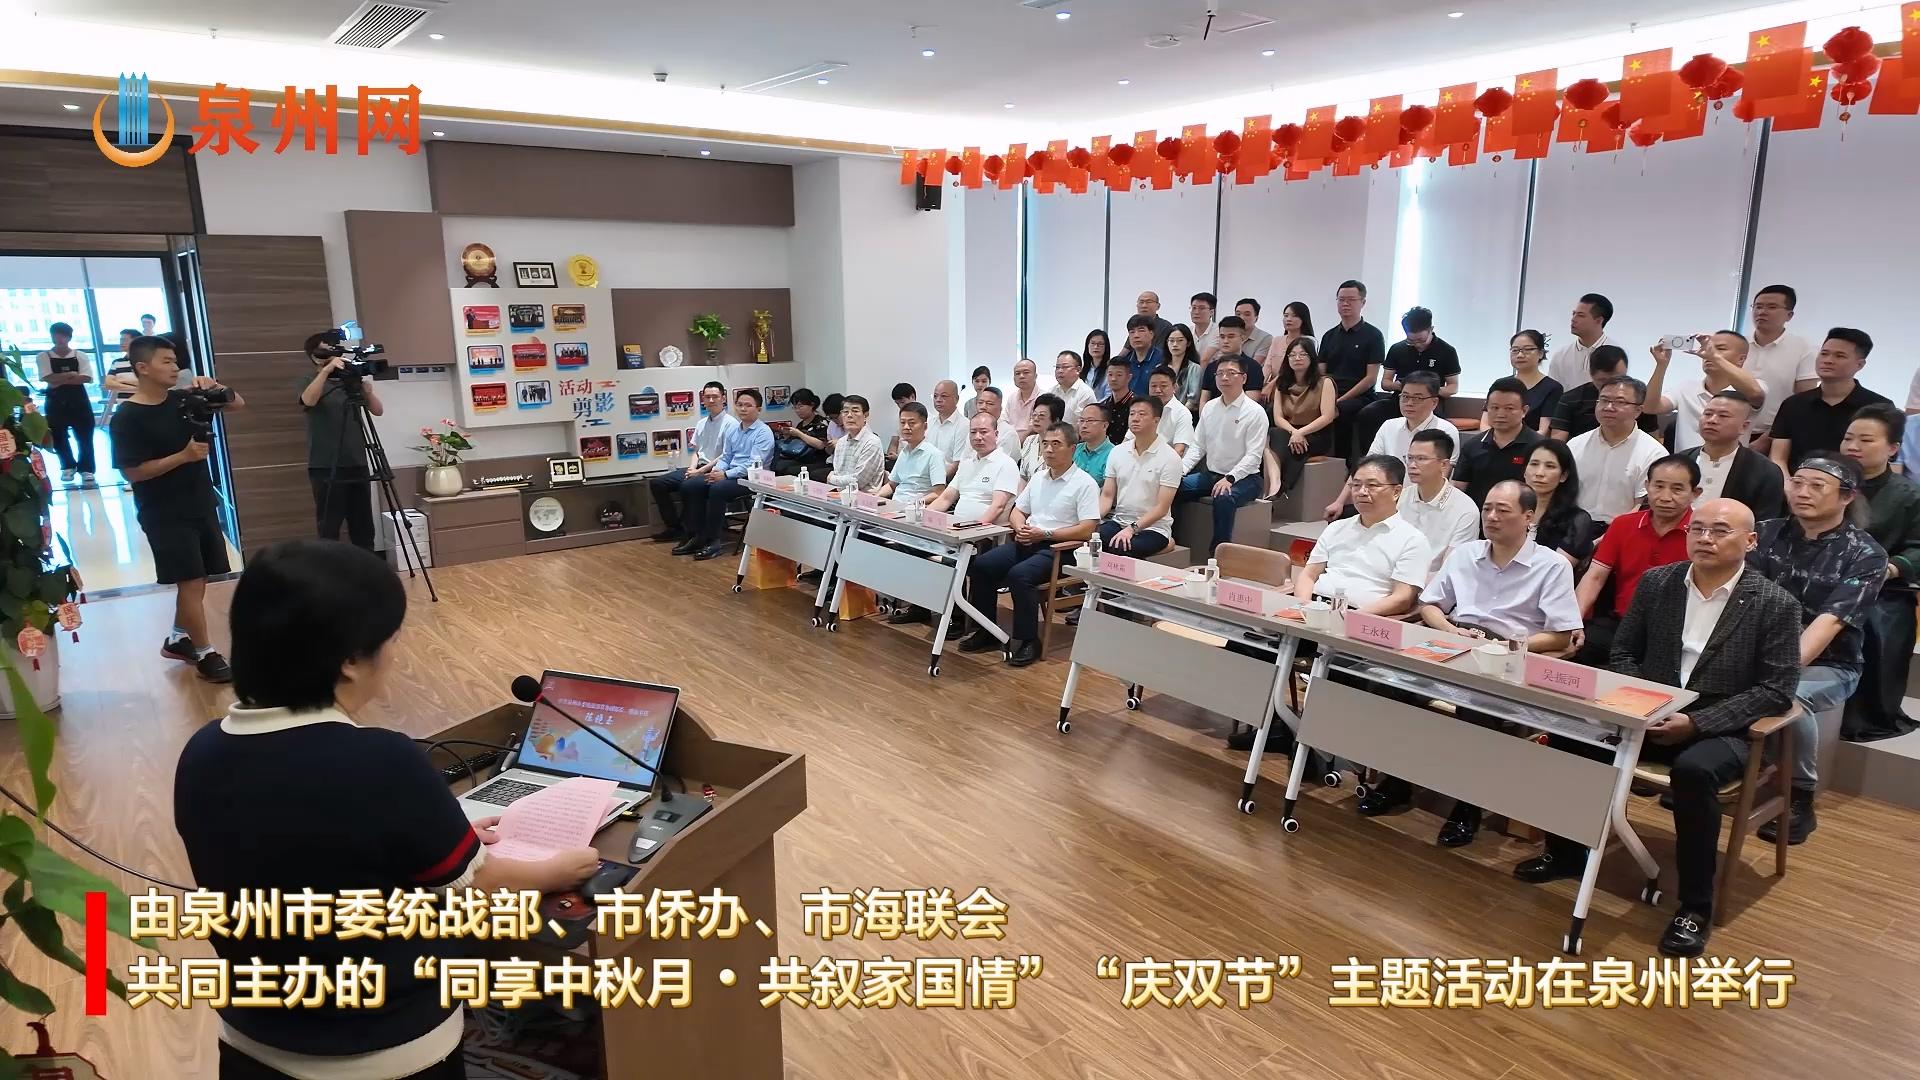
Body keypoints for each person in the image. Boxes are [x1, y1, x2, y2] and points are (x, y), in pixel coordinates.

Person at [177, 539, 600, 1079]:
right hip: (386, 1050)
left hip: (251, 1040)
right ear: (350, 661)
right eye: (390, 640)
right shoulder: (382, 760)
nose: (394, 656)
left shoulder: (202, 752)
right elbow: (481, 884)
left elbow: (306, 846)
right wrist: (557, 870)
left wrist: (444, 835)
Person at [1513, 498, 1801, 959]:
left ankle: (1694, 907)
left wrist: (1697, 721)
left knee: (1694, 772)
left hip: (1721, 727)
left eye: (1720, 531)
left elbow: (1776, 689)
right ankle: (1565, 853)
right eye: (1698, 529)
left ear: (1750, 541)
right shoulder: (1658, 582)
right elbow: (1624, 653)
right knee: (1569, 739)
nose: (1705, 539)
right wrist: (1646, 704)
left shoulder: (1775, 604)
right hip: (1647, 712)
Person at [1400, 480, 1582, 836]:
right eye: (1487, 509)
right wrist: (1450, 630)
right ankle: (1396, 782)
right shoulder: (1465, 554)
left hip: (1508, 656)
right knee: (1392, 685)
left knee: (1478, 706)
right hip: (1456, 642)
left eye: (1503, 510)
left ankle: (1468, 804)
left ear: (1528, 517)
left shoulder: (1552, 566)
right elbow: (1431, 605)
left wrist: (1510, 646)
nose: (1492, 517)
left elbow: (1562, 635)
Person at [1748, 456, 1888, 844]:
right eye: (1797, 482)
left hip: (1829, 663)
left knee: (1786, 696)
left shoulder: (1866, 554)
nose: (1802, 492)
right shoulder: (1765, 532)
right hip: (1755, 648)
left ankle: (1799, 797)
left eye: (1816, 486)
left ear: (1847, 496)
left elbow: (1829, 624)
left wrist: (1775, 673)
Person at [108, 335, 246, 682]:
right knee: (190, 580)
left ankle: (177, 639)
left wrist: (215, 386)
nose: (175, 367)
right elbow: (133, 472)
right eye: (166, 361)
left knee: (199, 579)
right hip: (163, 511)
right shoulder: (127, 417)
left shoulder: (183, 399)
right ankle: (205, 653)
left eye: (175, 361)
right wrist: (182, 457)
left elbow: (237, 404)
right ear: (143, 368)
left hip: (200, 500)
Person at [960, 422, 1100, 667]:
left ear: (1072, 448)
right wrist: (1020, 528)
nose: (1049, 450)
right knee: (981, 565)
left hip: (1061, 549)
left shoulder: (1084, 483)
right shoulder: (1038, 478)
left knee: (1020, 575)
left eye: (1056, 444)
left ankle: (1028, 641)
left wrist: (1044, 533)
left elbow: (1087, 529)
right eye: (1045, 444)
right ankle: (987, 630)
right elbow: (1018, 511)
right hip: (1029, 540)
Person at [1840, 405, 1920, 742]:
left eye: (1866, 440)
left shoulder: (1909, 495)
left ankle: (1862, 715)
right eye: (1848, 438)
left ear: (1893, 448)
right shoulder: (1825, 484)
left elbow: (1917, 548)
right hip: (1817, 579)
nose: (1853, 446)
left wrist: (1890, 568)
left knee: (1872, 623)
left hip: (1880, 589)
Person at [1573, 455, 1699, 663]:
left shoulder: (1701, 534)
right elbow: (1594, 577)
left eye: (1677, 489)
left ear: (1695, 493)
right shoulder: (1623, 525)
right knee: (1570, 647)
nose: (1665, 497)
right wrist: (1573, 622)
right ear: (1647, 486)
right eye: (1658, 486)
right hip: (1621, 623)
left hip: (1675, 632)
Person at [1293, 455, 1427, 615]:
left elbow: (1402, 598)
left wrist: (1350, 618)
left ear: (1396, 492)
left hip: (1363, 615)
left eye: (1372, 485)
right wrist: (1304, 607)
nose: (1362, 492)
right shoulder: (1336, 528)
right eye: (1356, 485)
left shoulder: (1413, 540)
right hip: (1316, 607)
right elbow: (1308, 575)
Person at [1324, 371, 1459, 520]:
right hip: (1386, 500)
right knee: (1340, 517)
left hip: (1423, 506)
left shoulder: (1445, 431)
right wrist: (1339, 502)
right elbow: (1367, 466)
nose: (1409, 403)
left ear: (1434, 402)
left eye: (1417, 398)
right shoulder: (1389, 426)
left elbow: (1442, 478)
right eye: (1405, 396)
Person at [298, 333, 385, 550]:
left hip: (357, 462)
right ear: (315, 356)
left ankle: (365, 566)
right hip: (325, 465)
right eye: (326, 350)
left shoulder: (349, 381)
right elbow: (308, 400)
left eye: (334, 349)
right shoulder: (309, 380)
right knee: (329, 528)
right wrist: (326, 371)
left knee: (363, 528)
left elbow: (377, 410)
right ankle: (331, 569)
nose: (333, 353)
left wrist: (367, 392)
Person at [1768, 328, 1891, 474]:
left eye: (1840, 356)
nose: (1828, 360)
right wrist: (1788, 484)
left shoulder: (1879, 407)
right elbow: (1778, 458)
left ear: (1860, 364)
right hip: (1798, 483)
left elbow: (1882, 461)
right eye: (1824, 353)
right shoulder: (1793, 404)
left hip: (1856, 484)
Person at [1177, 356, 1266, 553]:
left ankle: (1218, 553)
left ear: (1244, 378)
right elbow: (1198, 446)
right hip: (1212, 474)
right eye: (1220, 373)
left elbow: (1253, 456)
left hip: (1245, 479)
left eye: (1231, 373)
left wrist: (1230, 478)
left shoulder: (1255, 412)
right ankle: (1172, 539)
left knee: (1224, 498)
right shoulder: (1210, 407)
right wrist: (1180, 470)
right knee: (1173, 487)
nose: (1225, 377)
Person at [673, 388, 774, 560]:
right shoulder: (734, 430)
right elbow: (726, 457)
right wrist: (717, 471)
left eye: (748, 405)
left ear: (758, 409)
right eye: (739, 405)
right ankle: (696, 535)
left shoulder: (763, 432)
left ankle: (714, 541)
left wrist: (725, 475)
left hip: (752, 479)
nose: (743, 409)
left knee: (717, 489)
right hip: (729, 474)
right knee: (690, 486)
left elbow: (753, 465)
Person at [1354, 307, 1461, 459]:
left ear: (1431, 329)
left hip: (1429, 400)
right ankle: (1371, 457)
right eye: (1411, 341)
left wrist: (1428, 390)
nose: (1417, 344)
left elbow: (1453, 387)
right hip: (1400, 397)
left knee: (1434, 423)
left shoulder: (1447, 351)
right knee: (1368, 413)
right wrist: (1400, 386)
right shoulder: (1398, 349)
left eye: (1421, 340)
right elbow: (1385, 383)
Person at [1567, 376, 1667, 525]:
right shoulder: (1575, 445)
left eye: (1619, 402)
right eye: (1604, 400)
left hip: (1624, 529)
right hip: (1573, 527)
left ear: (1638, 410)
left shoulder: (1654, 453)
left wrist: (1611, 535)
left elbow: (1643, 508)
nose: (1608, 407)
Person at [1643, 333, 1766, 452]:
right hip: (1686, 464)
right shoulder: (1686, 387)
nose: (1708, 352)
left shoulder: (1754, 386)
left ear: (1741, 359)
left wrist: (1714, 356)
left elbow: (1755, 393)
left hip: (1732, 464)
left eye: (1720, 349)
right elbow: (1650, 407)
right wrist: (1661, 365)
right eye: (1708, 348)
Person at [651, 380, 736, 544]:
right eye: (707, 397)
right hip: (697, 467)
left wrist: (699, 472)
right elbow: (696, 451)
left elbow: (725, 455)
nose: (711, 400)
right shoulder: (701, 423)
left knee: (688, 486)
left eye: (715, 396)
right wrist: (692, 469)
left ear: (723, 398)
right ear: (703, 399)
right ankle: (675, 527)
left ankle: (693, 533)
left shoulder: (731, 424)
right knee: (657, 483)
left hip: (715, 470)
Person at [1098, 397, 1182, 559]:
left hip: (1153, 528)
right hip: (1119, 521)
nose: (1135, 418)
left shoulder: (1170, 458)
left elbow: (1161, 508)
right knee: (1091, 539)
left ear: (1156, 420)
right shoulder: (1117, 452)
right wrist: (1090, 520)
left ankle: (1167, 543)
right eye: (1132, 414)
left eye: (1142, 414)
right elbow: (1107, 496)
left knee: (1121, 547)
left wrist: (1132, 529)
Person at [1680, 390, 1784, 519]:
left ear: (1744, 426)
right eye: (1708, 414)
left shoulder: (1765, 471)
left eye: (1723, 416)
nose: (1712, 420)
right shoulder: (1680, 462)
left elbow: (1766, 523)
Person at [1320, 280, 1385, 461]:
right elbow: (1321, 373)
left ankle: (1346, 464)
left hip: (1359, 396)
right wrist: (1326, 396)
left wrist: (1339, 400)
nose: (1345, 304)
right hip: (1330, 392)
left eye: (1351, 300)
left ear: (1363, 302)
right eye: (1341, 300)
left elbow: (1370, 378)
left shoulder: (1373, 335)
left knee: (1343, 410)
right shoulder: (1329, 336)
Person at [1397, 429, 1480, 572]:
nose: (1412, 465)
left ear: (1444, 465)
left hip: (1433, 582)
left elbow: (1451, 570)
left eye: (1421, 459)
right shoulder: (1400, 498)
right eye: (1410, 458)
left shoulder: (1465, 510)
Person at [1745, 284, 1819, 441]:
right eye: (1758, 306)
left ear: (1789, 315)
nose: (1762, 312)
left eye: (1771, 307)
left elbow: (1804, 402)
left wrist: (1768, 439)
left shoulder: (1804, 348)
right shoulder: (1738, 345)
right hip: (1730, 430)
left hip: (1776, 435)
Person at [1455, 377, 1543, 507]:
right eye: (1495, 407)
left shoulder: (1540, 447)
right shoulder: (1472, 445)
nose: (1500, 414)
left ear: (1524, 411)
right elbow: (1458, 488)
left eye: (1509, 408)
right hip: (1478, 514)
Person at [1266, 338, 1335, 498]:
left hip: (1317, 433)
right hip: (1290, 431)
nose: (1297, 358)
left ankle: (1282, 485)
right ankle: (1275, 484)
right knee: (1271, 434)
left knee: (1282, 441)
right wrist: (1295, 433)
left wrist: (1300, 433)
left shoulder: (1325, 382)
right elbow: (1278, 418)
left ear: (1312, 358)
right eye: (1292, 355)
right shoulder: (1282, 383)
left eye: (1303, 354)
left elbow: (1327, 417)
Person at [1551, 346, 1659, 441]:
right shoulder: (1570, 399)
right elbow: (1558, 442)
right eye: (1603, 381)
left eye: (1617, 379)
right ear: (1591, 375)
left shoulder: (1639, 397)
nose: (1611, 386)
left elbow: (1653, 439)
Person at [930, 412, 1020, 525]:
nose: (977, 437)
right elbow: (945, 499)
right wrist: (924, 516)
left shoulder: (1006, 464)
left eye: (983, 432)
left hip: (986, 531)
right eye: (973, 432)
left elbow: (998, 506)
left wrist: (970, 527)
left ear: (996, 434)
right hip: (956, 527)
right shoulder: (966, 464)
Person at [36, 321, 97, 486]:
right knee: (58, 435)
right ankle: (67, 467)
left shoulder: (80, 355)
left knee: (85, 435)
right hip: (55, 401)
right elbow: (46, 378)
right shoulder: (44, 356)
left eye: (62, 335)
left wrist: (58, 380)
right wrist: (71, 374)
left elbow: (86, 378)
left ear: (69, 337)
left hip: (79, 400)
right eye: (55, 335)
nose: (59, 338)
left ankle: (87, 469)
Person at [1525, 439, 1597, 567]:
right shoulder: (1510, 511)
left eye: (1550, 466)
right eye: (1534, 464)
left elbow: (1555, 570)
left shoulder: (1577, 520)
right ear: (1525, 472)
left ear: (1563, 475)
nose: (1539, 473)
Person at [877, 401, 947, 506]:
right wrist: (876, 497)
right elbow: (891, 485)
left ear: (925, 426)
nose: (906, 427)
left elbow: (938, 493)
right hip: (895, 506)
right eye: (902, 422)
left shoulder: (934, 455)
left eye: (911, 423)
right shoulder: (903, 453)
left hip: (915, 509)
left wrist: (915, 503)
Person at [1545, 293, 1618, 388]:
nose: (1573, 319)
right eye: (1573, 314)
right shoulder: (1560, 355)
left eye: (1580, 315)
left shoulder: (1616, 354)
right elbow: (1553, 392)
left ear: (1599, 320)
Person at [1197, 316, 1266, 407]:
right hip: (1213, 413)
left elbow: (1252, 402)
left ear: (1242, 337)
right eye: (1222, 337)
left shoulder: (1253, 367)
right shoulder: (1211, 367)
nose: (1225, 341)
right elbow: (1204, 400)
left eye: (1231, 337)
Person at [1505, 329, 1564, 434]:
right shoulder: (1501, 384)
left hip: (1532, 442)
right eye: (1515, 350)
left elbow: (1543, 430)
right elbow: (1485, 423)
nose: (1520, 355)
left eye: (1527, 350)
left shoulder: (1553, 388)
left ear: (1541, 353)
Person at [826, 394, 886, 492]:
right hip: (840, 494)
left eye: (855, 411)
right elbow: (838, 473)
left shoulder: (872, 442)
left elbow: (858, 481)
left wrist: (831, 478)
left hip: (863, 497)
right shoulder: (841, 442)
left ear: (865, 415)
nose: (849, 415)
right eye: (845, 412)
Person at [770, 387, 831, 479]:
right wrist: (788, 435)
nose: (797, 410)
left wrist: (799, 433)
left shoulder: (821, 423)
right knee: (775, 464)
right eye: (795, 407)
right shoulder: (801, 424)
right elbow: (796, 445)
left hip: (816, 459)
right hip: (800, 457)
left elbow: (821, 445)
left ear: (812, 405)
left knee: (787, 469)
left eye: (801, 406)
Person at [1142, 365, 1196, 463]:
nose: (1158, 390)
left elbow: (1179, 450)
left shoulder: (1182, 413)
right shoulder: (1143, 409)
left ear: (1174, 387)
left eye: (1163, 386)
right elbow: (1128, 440)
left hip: (1168, 465)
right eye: (1153, 386)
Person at [1111, 315, 1163, 400]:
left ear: (1151, 334)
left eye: (1141, 331)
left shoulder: (1162, 359)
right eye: (1132, 332)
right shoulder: (1126, 361)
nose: (1136, 335)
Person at [1018, 393, 1066, 481]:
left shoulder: (1063, 446)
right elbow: (1023, 477)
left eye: (1041, 416)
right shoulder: (1029, 440)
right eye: (1034, 415)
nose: (1036, 419)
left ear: (1056, 420)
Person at [1161, 323, 1205, 411]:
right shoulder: (1160, 367)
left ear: (1188, 343)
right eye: (1171, 340)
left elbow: (1192, 400)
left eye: (1180, 340)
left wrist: (1178, 415)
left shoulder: (1194, 368)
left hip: (1185, 414)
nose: (1175, 344)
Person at [927, 379, 967, 475]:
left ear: (956, 399)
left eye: (944, 396)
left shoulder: (964, 425)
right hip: (925, 477)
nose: (938, 400)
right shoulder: (929, 422)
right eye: (935, 396)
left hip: (947, 480)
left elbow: (956, 465)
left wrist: (936, 480)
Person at [972, 386, 1022, 457]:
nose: (983, 407)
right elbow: (965, 458)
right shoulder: (973, 429)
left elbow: (999, 462)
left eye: (989, 403)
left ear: (1000, 408)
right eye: (980, 403)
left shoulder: (1008, 433)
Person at [1072, 403, 1114, 484]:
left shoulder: (1113, 454)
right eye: (1081, 421)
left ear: (1105, 426)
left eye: (1090, 421)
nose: (1084, 425)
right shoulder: (1074, 450)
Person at [1052, 350, 1097, 420]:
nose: (1060, 371)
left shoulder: (1085, 393)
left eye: (1065, 367)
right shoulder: (1052, 391)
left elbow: (1084, 423)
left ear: (1078, 370)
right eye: (1057, 367)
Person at [1232, 298, 1275, 370]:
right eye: (1238, 314)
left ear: (1256, 318)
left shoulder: (1266, 338)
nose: (1241, 318)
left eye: (1247, 314)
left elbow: (1253, 366)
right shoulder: (1226, 335)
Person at [1004, 358, 1041, 434]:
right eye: (1017, 373)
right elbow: (1005, 422)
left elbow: (1037, 428)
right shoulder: (1012, 398)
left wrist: (1019, 440)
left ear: (1035, 376)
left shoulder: (1043, 397)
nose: (1021, 376)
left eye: (1026, 372)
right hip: (1011, 438)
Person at [1188, 292, 1220, 359]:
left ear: (1212, 312)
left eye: (1202, 308)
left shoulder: (1219, 332)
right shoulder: (1188, 332)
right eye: (1194, 308)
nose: (1196, 312)